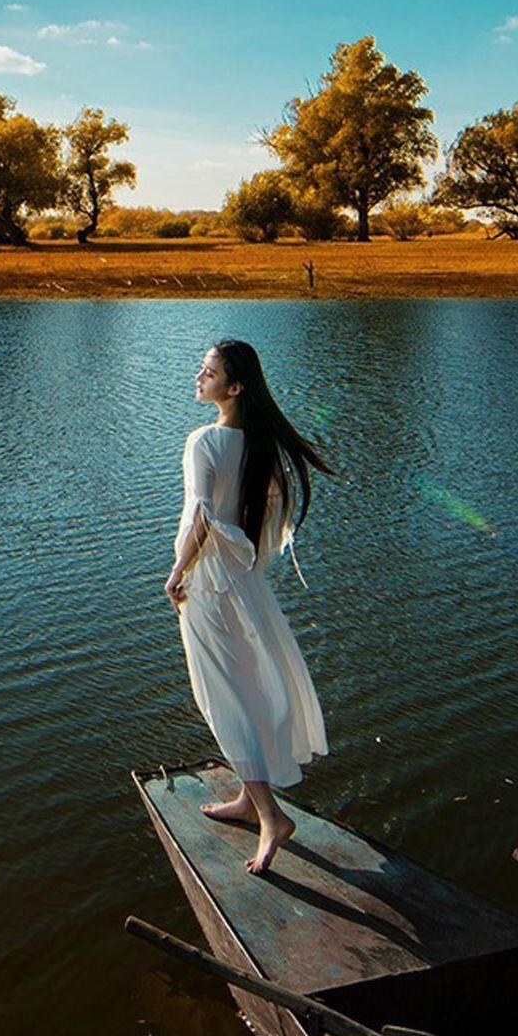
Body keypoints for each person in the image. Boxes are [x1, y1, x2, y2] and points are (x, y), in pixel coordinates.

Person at [164, 340, 332, 876]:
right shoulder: (261, 447)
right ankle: (247, 796)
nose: (199, 377)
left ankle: (269, 815)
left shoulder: (204, 441)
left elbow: (200, 517)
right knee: (248, 684)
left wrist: (176, 575)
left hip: (211, 585)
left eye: (208, 373)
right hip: (246, 584)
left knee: (221, 697)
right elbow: (266, 524)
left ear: (233, 388)